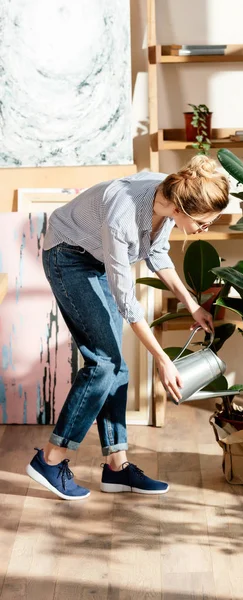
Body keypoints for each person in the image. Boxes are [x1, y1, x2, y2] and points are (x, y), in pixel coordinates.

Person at [26, 155, 230, 500]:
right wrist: (162, 360)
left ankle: (117, 468)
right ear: (181, 208)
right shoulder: (124, 213)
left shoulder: (169, 195)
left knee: (116, 367)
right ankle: (49, 459)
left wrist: (191, 304)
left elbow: (158, 253)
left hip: (95, 259)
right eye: (204, 223)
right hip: (68, 257)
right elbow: (127, 300)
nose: (205, 229)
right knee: (103, 362)